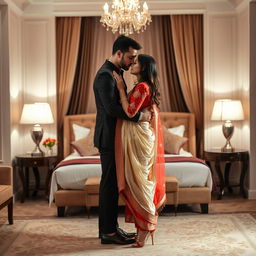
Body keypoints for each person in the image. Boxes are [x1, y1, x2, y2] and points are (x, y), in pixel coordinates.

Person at [93, 35, 152, 245]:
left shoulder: (115, 72)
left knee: (111, 184)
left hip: (115, 136)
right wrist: (139, 116)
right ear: (119, 53)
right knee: (109, 185)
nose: (132, 61)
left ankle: (111, 228)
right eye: (130, 57)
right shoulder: (104, 76)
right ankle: (108, 233)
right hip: (108, 137)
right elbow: (111, 108)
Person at [113, 54, 166, 247]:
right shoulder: (141, 86)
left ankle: (146, 226)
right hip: (136, 135)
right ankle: (141, 228)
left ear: (143, 68)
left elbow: (130, 112)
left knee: (139, 182)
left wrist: (120, 89)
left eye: (136, 63)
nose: (132, 65)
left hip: (138, 137)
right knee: (138, 181)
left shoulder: (143, 87)